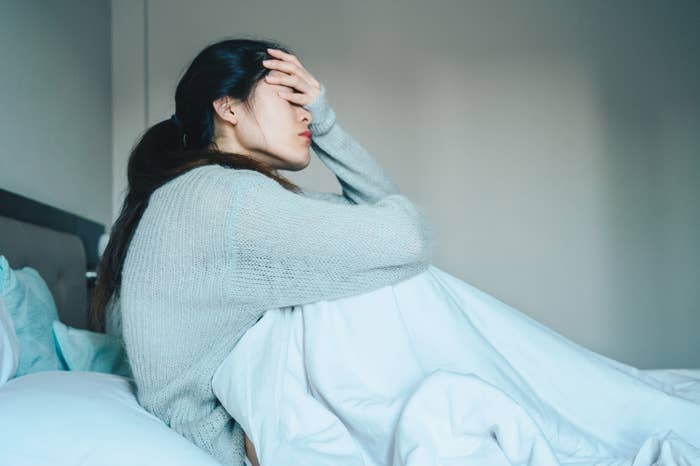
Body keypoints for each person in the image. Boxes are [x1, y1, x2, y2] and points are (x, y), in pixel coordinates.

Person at [90, 36, 432, 466]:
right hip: (236, 443)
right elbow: (408, 239)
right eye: (289, 98)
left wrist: (324, 123)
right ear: (228, 107)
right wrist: (327, 128)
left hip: (241, 431)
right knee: (397, 289)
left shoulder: (214, 190)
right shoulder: (222, 197)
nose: (306, 111)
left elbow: (377, 213)